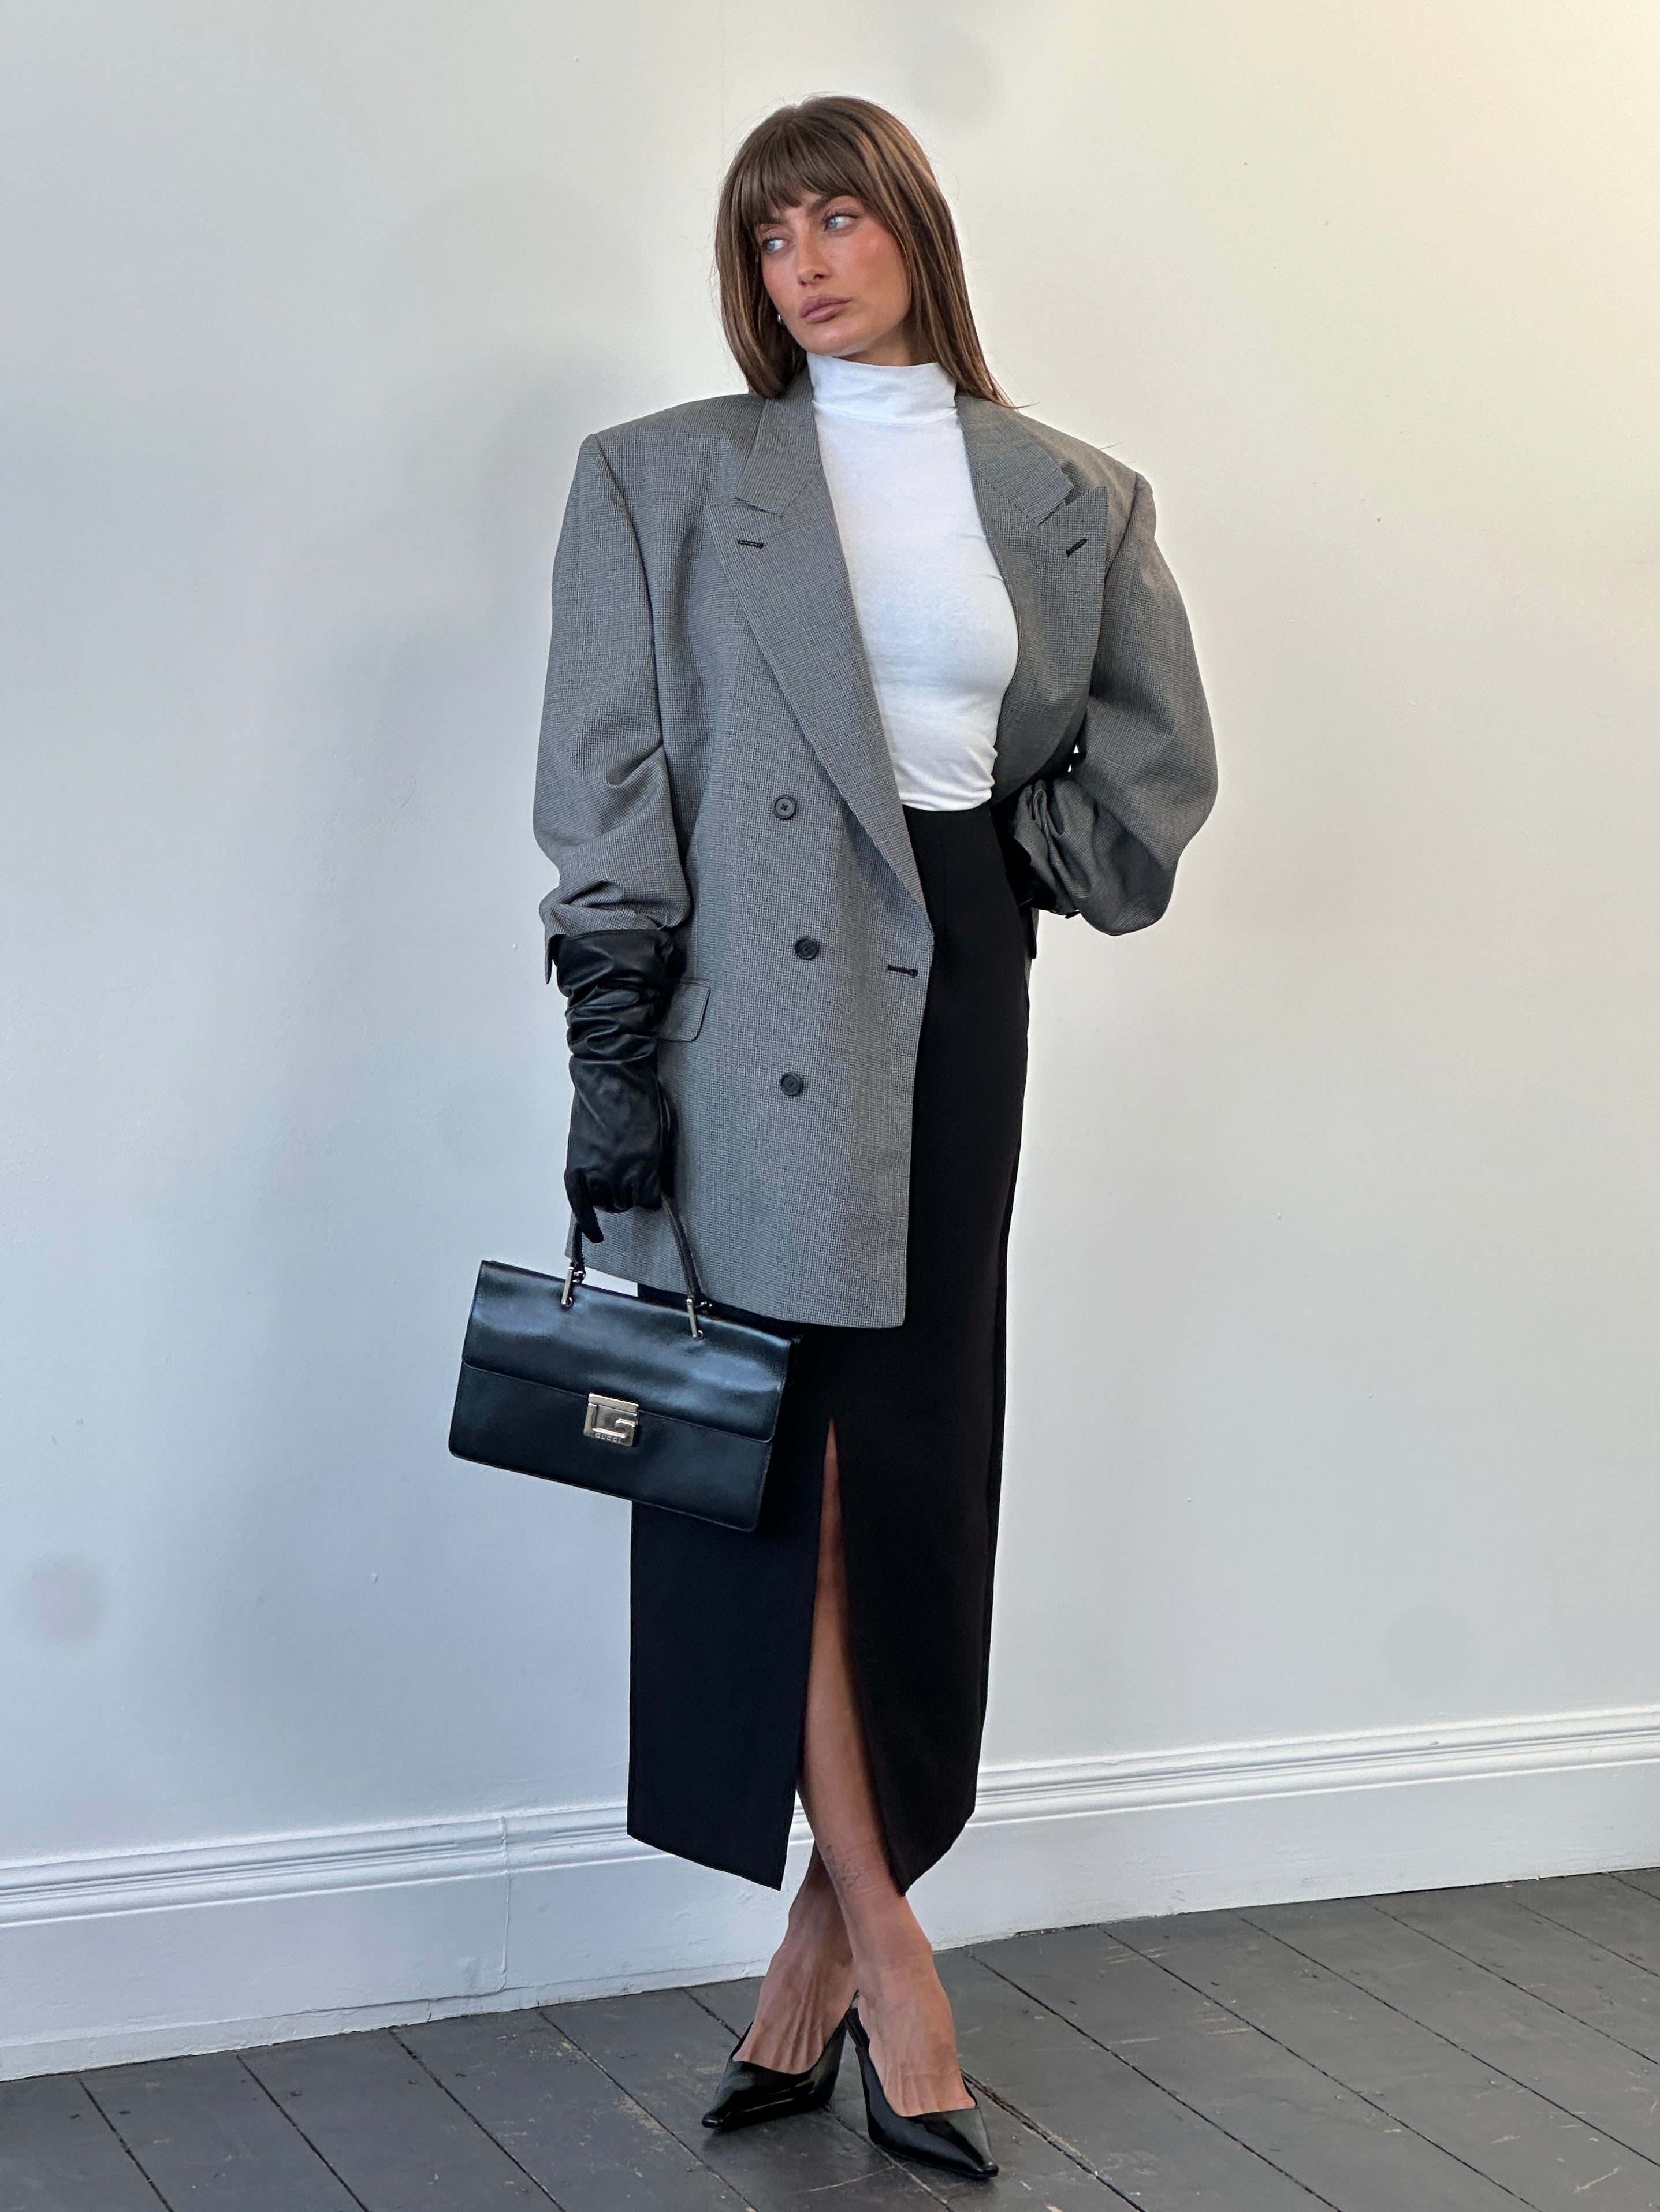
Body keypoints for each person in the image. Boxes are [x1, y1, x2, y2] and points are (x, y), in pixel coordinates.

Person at [532, 94, 1216, 2180]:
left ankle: (809, 1959)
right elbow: (603, 769)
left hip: (947, 995)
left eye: (835, 220)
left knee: (901, 1467)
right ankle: (895, 1957)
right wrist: (611, 1039)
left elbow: (1147, 762)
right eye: (767, 237)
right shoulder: (659, 476)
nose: (802, 265)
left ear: (912, 229)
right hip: (740, 1012)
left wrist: (1005, 869)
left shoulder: (1067, 490)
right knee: (779, 1480)